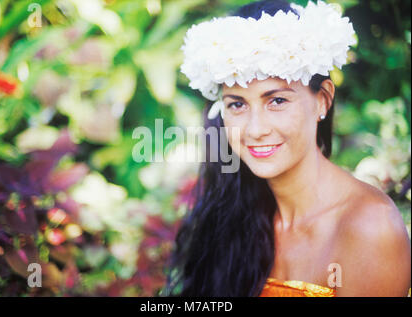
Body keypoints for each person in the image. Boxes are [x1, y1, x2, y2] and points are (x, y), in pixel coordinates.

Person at [164, 0, 411, 297]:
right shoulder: (232, 214)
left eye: (277, 101)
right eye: (237, 104)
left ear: (322, 100)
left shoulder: (369, 227)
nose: (256, 129)